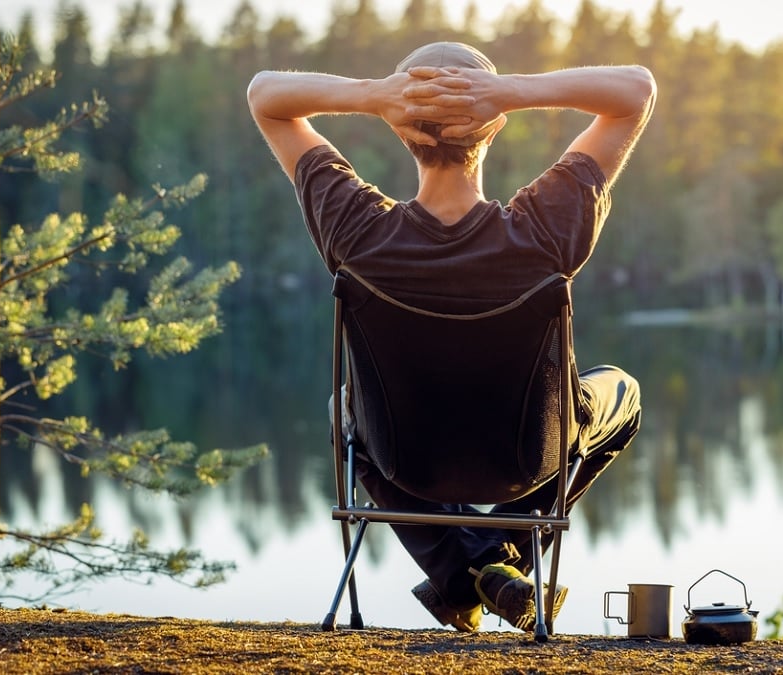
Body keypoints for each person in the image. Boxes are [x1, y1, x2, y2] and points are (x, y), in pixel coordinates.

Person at [247, 42, 653, 633]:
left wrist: (374, 95)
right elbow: (636, 90)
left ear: (402, 131)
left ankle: (460, 571)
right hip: (527, 460)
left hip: (407, 463)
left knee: (343, 407)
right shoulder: (545, 229)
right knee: (624, 391)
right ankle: (493, 555)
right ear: (493, 129)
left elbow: (265, 96)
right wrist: (511, 91)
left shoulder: (356, 231)